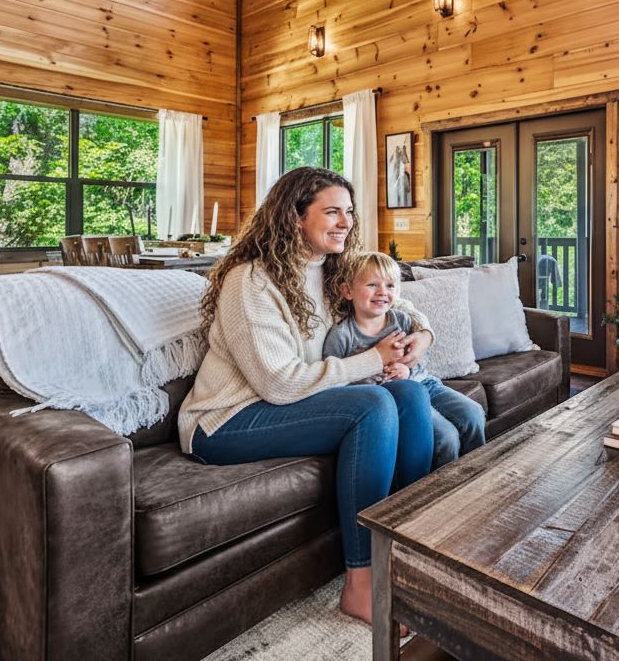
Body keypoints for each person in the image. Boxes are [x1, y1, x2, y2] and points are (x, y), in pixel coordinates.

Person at [177, 167, 435, 625]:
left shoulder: (331, 270)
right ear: (295, 217)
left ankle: (406, 552)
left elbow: (399, 303)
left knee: (409, 396)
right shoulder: (250, 281)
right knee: (374, 405)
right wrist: (373, 359)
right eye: (331, 211)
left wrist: (425, 336)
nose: (346, 222)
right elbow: (279, 383)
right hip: (226, 419)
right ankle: (360, 584)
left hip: (283, 405)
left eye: (349, 213)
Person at [324, 252, 487, 469]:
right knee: (445, 437)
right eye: (372, 285)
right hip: (393, 400)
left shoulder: (401, 319)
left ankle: (477, 475)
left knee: (473, 413)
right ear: (347, 291)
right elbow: (336, 380)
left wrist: (408, 369)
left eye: (390, 286)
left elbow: (422, 355)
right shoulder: (342, 335)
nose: (382, 292)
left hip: (424, 383)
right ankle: (442, 493)